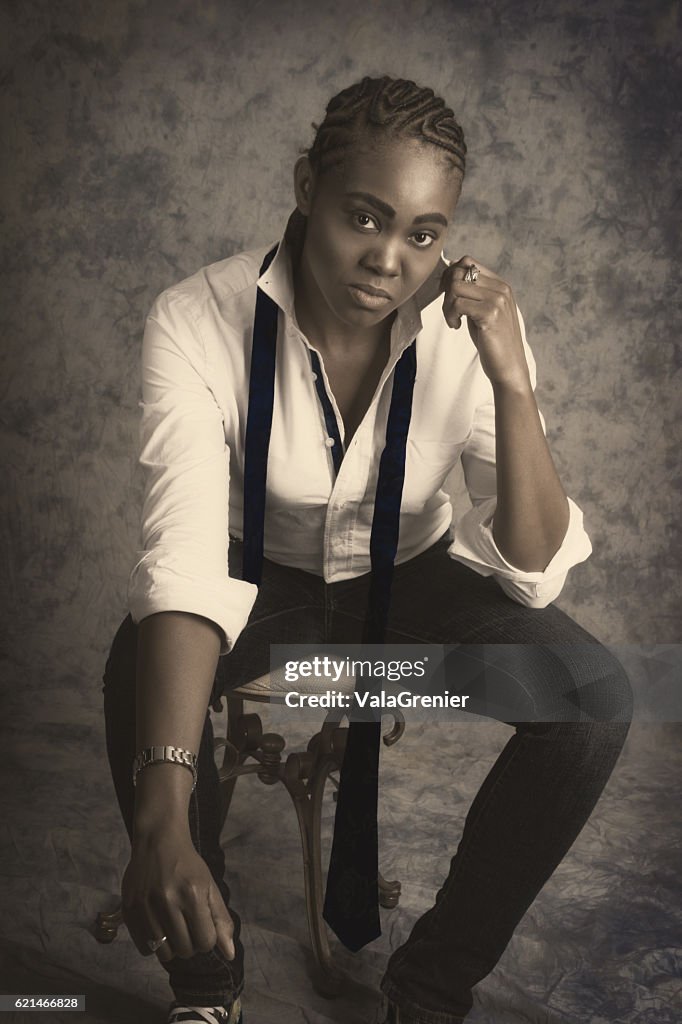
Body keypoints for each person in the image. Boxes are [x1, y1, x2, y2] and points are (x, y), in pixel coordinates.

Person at [102, 76, 633, 1024]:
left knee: (592, 699)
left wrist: (512, 381)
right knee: (134, 660)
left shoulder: (464, 335)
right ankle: (204, 978)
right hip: (260, 572)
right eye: (365, 217)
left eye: (423, 234)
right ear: (308, 187)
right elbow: (182, 557)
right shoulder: (196, 320)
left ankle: (427, 994)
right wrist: (162, 818)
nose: (391, 259)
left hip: (413, 578)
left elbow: (530, 562)